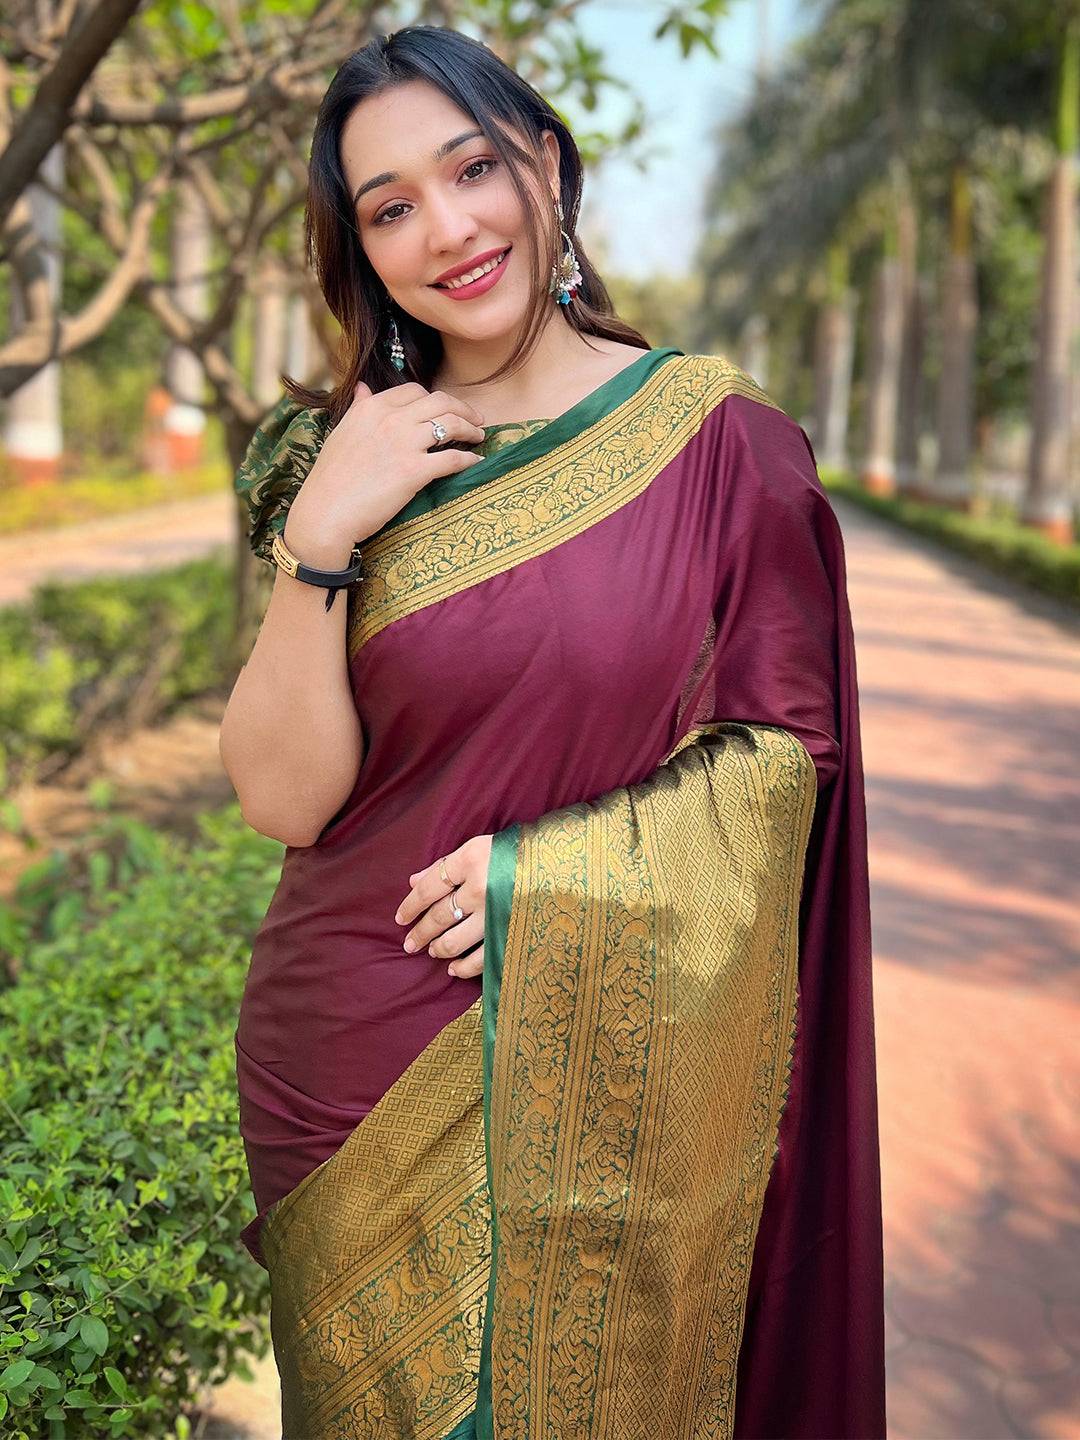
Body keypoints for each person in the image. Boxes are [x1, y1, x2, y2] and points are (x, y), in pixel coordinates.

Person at [220, 23, 886, 1440]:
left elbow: (785, 768)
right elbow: (284, 801)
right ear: (360, 245)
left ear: (547, 167)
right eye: (391, 205)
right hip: (343, 1066)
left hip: (610, 1068)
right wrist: (323, 535)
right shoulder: (325, 454)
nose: (447, 230)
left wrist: (552, 880)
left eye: (473, 170)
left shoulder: (722, 448)